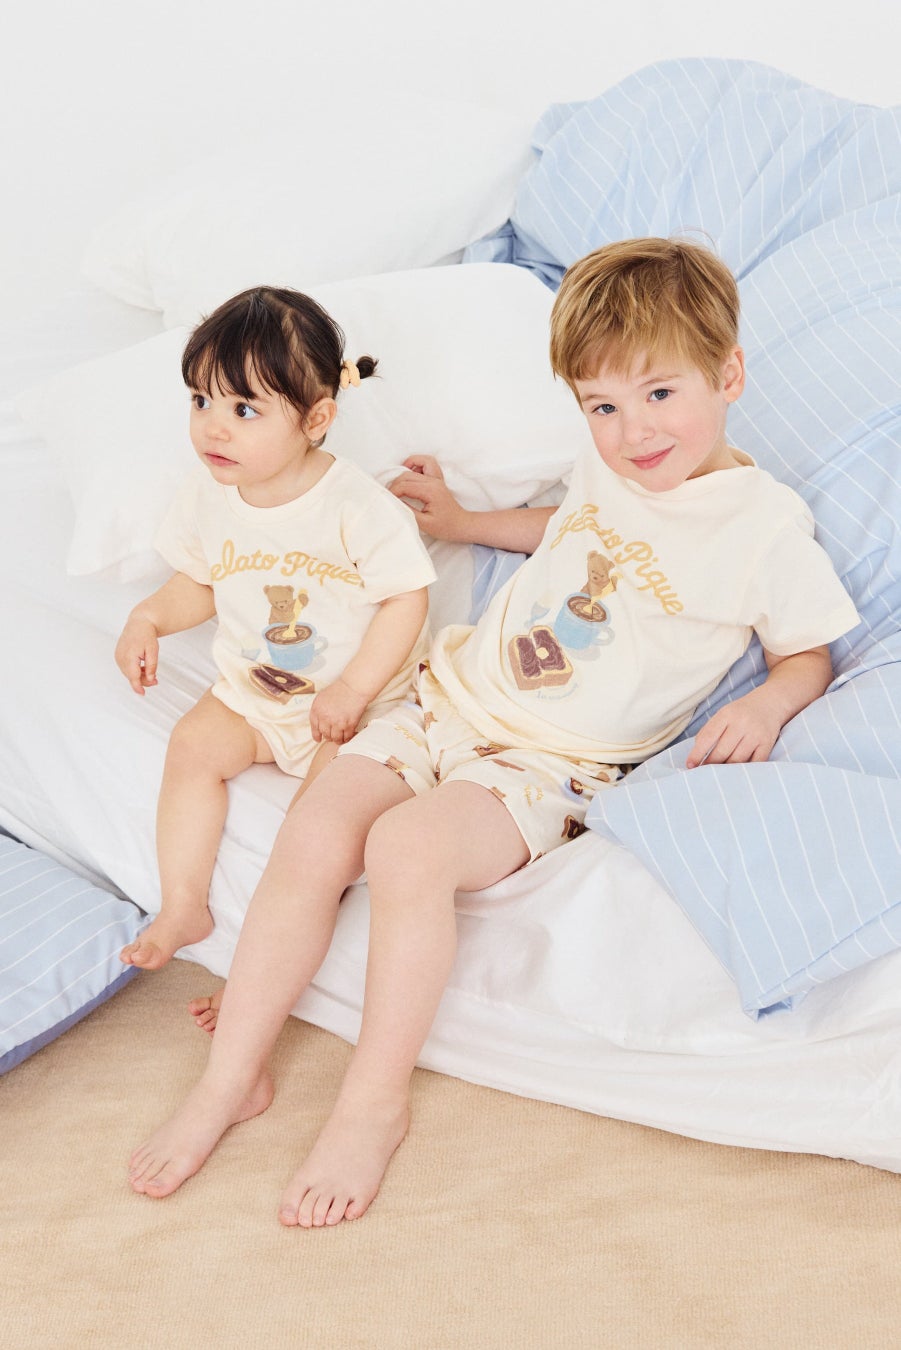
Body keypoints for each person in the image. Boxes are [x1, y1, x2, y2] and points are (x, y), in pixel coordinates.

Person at [127, 239, 859, 1222]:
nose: (633, 431)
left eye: (658, 395)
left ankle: (371, 1105)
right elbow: (562, 532)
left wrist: (767, 702)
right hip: (446, 698)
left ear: (726, 377)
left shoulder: (762, 527)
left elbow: (807, 653)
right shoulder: (606, 467)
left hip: (552, 763)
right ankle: (231, 1077)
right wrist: (465, 524)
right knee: (316, 825)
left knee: (405, 849)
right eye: (601, 406)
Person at [115, 286, 435, 970]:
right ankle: (183, 905)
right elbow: (200, 581)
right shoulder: (208, 496)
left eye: (244, 409)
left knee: (314, 831)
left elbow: (406, 599)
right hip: (256, 693)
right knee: (191, 747)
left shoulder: (355, 506)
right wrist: (148, 618)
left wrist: (353, 690)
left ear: (316, 418)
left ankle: (263, 965)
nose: (213, 428)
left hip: (351, 709)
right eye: (200, 401)